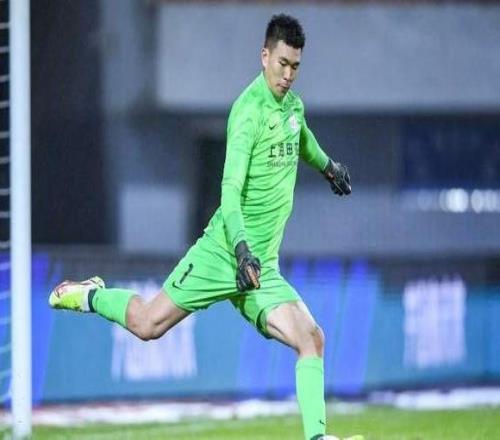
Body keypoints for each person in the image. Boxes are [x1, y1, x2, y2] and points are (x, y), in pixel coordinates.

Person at [49, 14, 362, 440]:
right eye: (282, 64)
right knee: (148, 325)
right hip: (224, 252)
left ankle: (317, 438)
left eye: (295, 67)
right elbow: (229, 192)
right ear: (264, 56)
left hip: (261, 268)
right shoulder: (248, 113)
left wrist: (328, 168)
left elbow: (301, 137)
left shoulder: (292, 107)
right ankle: (89, 294)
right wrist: (240, 249)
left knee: (312, 338)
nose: (288, 75)